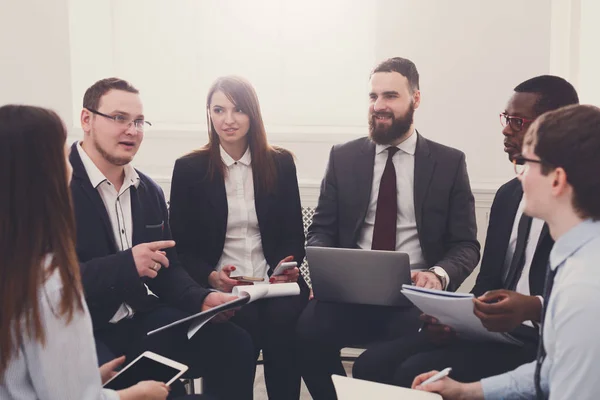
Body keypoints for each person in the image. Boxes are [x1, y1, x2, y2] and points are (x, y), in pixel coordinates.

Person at [351, 75, 580, 387]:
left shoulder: (583, 202)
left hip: (542, 339)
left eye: (517, 121)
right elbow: (487, 284)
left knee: (413, 374)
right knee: (369, 365)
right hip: (497, 333)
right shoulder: (509, 194)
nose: (505, 128)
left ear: (553, 126)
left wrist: (533, 307)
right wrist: (452, 320)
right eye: (506, 118)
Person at [296, 57, 481, 399]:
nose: (379, 106)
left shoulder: (449, 162)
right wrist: (325, 273)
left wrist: (438, 275)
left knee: (377, 364)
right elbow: (321, 229)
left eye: (390, 96)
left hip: (414, 298)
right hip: (348, 293)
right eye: (373, 96)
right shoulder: (343, 157)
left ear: (416, 99)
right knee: (303, 333)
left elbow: (466, 245)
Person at [69, 78, 255, 399]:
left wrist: (201, 299)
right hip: (82, 330)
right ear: (87, 120)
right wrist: (127, 264)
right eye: (119, 118)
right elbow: (49, 284)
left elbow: (168, 268)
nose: (132, 130)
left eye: (138, 121)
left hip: (141, 319)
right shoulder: (57, 186)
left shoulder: (148, 190)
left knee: (236, 344)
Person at [413, 104, 600, 399]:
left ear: (557, 180)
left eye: (526, 164)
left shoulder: (585, 289)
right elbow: (550, 371)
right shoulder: (575, 259)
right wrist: (466, 392)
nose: (520, 175)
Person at [0, 104, 169, 400]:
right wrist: (135, 395)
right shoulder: (51, 282)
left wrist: (84, 377)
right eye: (64, 155)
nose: (71, 162)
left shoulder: (18, 265)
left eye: (139, 121)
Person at [169, 75, 309, 400]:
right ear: (209, 114)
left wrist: (287, 265)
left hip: (273, 285)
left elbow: (292, 235)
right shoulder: (189, 169)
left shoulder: (280, 163)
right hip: (223, 289)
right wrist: (210, 277)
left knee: (285, 327)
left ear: (253, 115)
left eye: (238, 110)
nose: (228, 120)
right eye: (218, 110)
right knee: (238, 333)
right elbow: (182, 248)